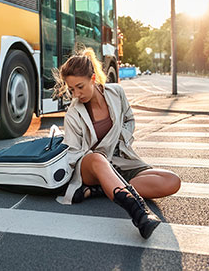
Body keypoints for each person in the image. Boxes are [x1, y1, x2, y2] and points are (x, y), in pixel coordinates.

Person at [53, 47, 181, 239]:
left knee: (171, 181)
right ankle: (139, 213)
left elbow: (129, 119)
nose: (76, 94)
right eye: (71, 90)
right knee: (96, 158)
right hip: (91, 167)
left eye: (80, 87)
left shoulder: (116, 93)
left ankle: (107, 187)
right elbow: (73, 152)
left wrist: (122, 140)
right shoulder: (73, 113)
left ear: (93, 79)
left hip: (121, 160)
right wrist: (96, 162)